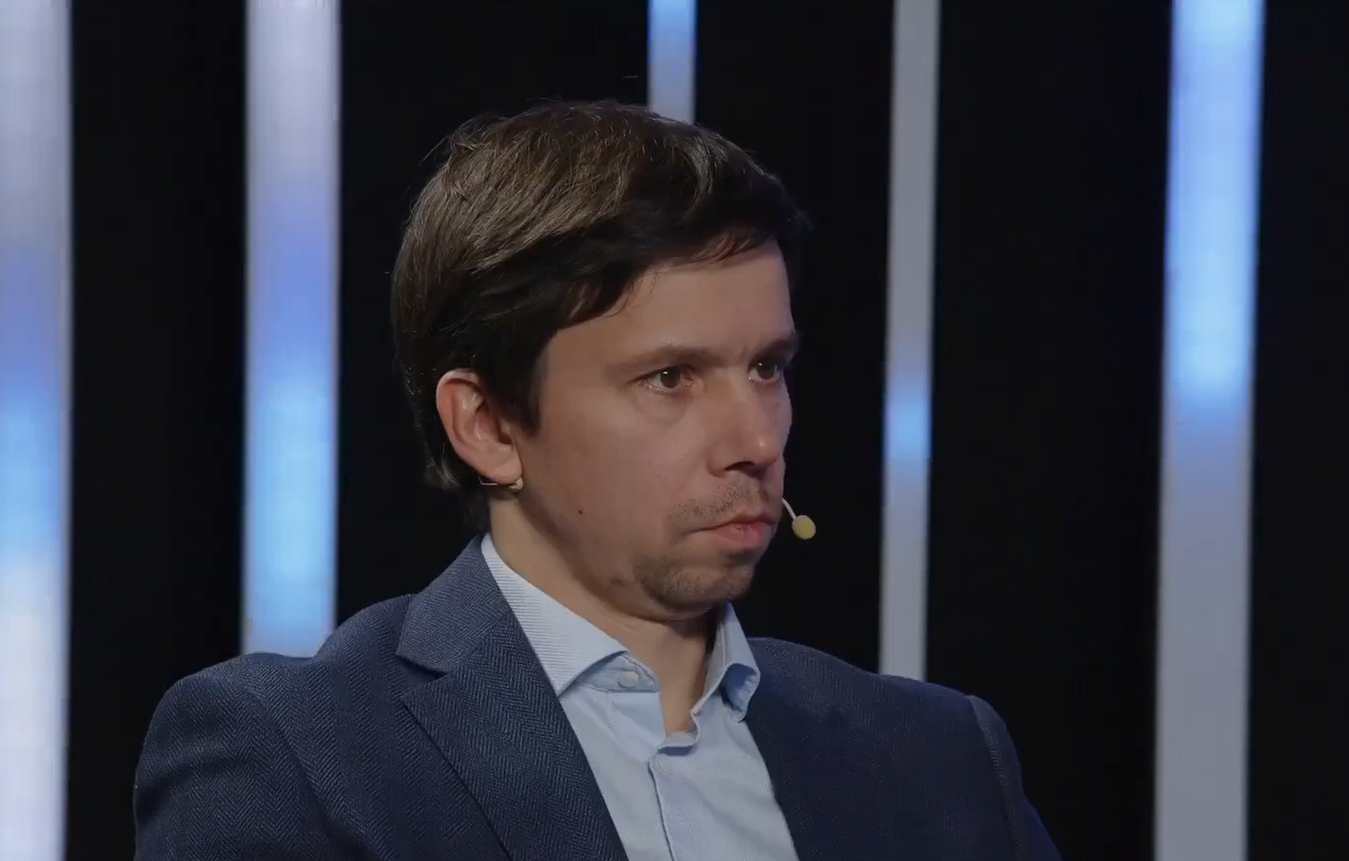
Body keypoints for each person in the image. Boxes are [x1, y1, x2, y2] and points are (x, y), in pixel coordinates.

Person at [133, 100, 1059, 861]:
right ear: (488, 425)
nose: (754, 438)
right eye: (670, 378)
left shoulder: (941, 759)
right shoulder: (301, 756)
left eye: (767, 368)